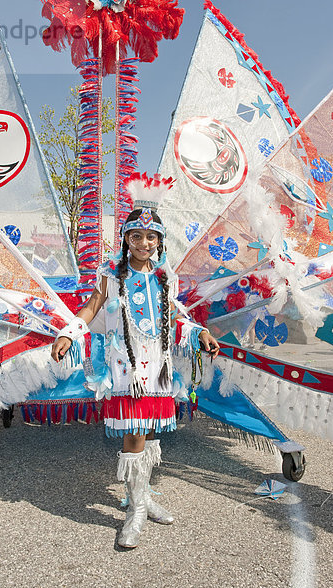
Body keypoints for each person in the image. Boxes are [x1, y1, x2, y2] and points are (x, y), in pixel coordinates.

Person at [51, 173, 219, 548]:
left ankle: (139, 497)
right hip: (125, 370)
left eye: (151, 237)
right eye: (137, 236)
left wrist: (199, 333)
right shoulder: (111, 277)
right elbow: (92, 307)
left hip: (156, 368)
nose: (144, 242)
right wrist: (68, 333)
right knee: (132, 435)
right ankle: (137, 510)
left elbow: (175, 315)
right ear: (126, 240)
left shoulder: (164, 278)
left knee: (147, 432)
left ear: (159, 242)